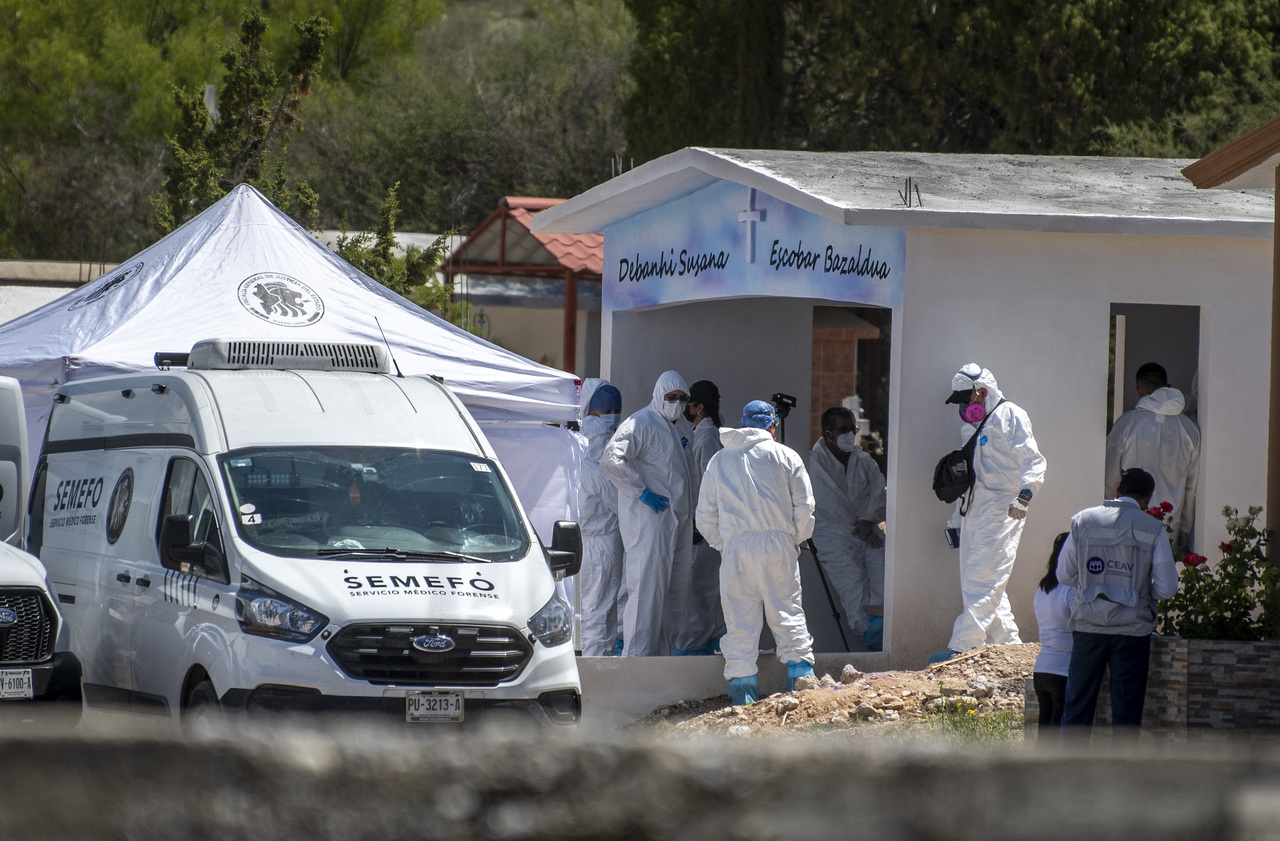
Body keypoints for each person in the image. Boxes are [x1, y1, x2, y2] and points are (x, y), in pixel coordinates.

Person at [696, 400, 817, 705]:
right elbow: (805, 507)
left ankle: (743, 696)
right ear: (772, 426)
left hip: (736, 548)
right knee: (787, 612)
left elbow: (704, 516)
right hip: (778, 544)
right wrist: (795, 539)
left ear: (743, 424)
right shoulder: (786, 455)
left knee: (739, 621)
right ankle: (802, 688)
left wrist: (726, 544)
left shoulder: (719, 460)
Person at [932, 363, 1046, 663]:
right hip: (975, 511)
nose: (963, 407)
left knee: (980, 579)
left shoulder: (1011, 415)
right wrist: (956, 519)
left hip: (1003, 509)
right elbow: (970, 479)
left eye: (965, 399)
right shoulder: (972, 428)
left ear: (982, 391)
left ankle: (963, 645)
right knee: (985, 579)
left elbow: (1033, 459)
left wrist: (1026, 495)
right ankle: (1010, 646)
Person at [1058, 468, 1179, 733]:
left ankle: (1067, 760)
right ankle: (1123, 761)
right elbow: (1167, 587)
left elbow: (1064, 574)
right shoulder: (1153, 528)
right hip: (1132, 630)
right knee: (1127, 712)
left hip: (1088, 626)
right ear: (1148, 498)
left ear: (1117, 491)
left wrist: (1091, 587)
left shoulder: (1083, 520)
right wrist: (1140, 593)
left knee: (1077, 706)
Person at [601, 370, 694, 656]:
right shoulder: (641, 422)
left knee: (674, 594)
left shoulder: (680, 429)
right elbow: (611, 459)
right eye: (671, 397)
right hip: (650, 521)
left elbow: (687, 475)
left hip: (678, 521)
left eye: (682, 398)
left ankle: (661, 661)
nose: (677, 403)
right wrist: (639, 491)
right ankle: (637, 661)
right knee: (647, 592)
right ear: (658, 395)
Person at [808, 406, 887, 651]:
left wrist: (870, 520)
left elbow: (880, 492)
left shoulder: (864, 460)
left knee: (884, 580)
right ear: (828, 433)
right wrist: (862, 525)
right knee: (854, 589)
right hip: (834, 535)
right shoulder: (815, 462)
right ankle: (871, 641)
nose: (849, 435)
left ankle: (883, 639)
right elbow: (830, 501)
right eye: (843, 430)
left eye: (852, 429)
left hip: (869, 530)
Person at [1104, 362, 1200, 552]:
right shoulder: (1189, 429)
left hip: (1128, 521)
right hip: (1170, 524)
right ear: (1169, 387)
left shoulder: (1127, 424)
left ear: (1139, 390)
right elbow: (1191, 488)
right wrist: (1185, 529)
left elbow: (1109, 478)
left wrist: (1108, 517)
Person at [673, 379, 727, 655]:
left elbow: (707, 484)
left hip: (706, 526)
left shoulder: (707, 437)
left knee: (701, 588)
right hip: (704, 524)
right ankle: (708, 642)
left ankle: (694, 647)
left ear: (700, 407)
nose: (684, 407)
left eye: (688, 403)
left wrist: (699, 524)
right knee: (706, 588)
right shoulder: (705, 434)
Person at [576, 378, 626, 656]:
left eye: (616, 410)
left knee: (599, 608)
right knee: (600, 610)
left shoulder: (578, 455)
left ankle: (598, 663)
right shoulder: (597, 467)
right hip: (601, 541)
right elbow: (620, 502)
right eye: (608, 410)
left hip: (588, 540)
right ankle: (596, 667)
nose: (613, 416)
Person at [1033, 532, 1075, 733]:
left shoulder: (1042, 588)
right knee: (1058, 739)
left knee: (1045, 738)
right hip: (1063, 670)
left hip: (1041, 669)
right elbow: (1085, 623)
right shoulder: (1070, 589)